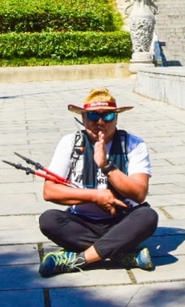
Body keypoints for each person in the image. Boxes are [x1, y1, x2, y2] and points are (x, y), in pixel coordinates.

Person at [38, 88, 158, 277]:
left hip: (122, 220)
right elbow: (50, 191)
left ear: (116, 118)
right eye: (93, 115)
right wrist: (95, 196)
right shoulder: (70, 142)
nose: (100, 122)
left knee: (148, 217)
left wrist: (106, 165)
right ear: (83, 118)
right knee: (49, 220)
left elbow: (139, 193)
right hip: (83, 222)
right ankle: (120, 251)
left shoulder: (134, 144)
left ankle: (79, 259)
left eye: (108, 116)